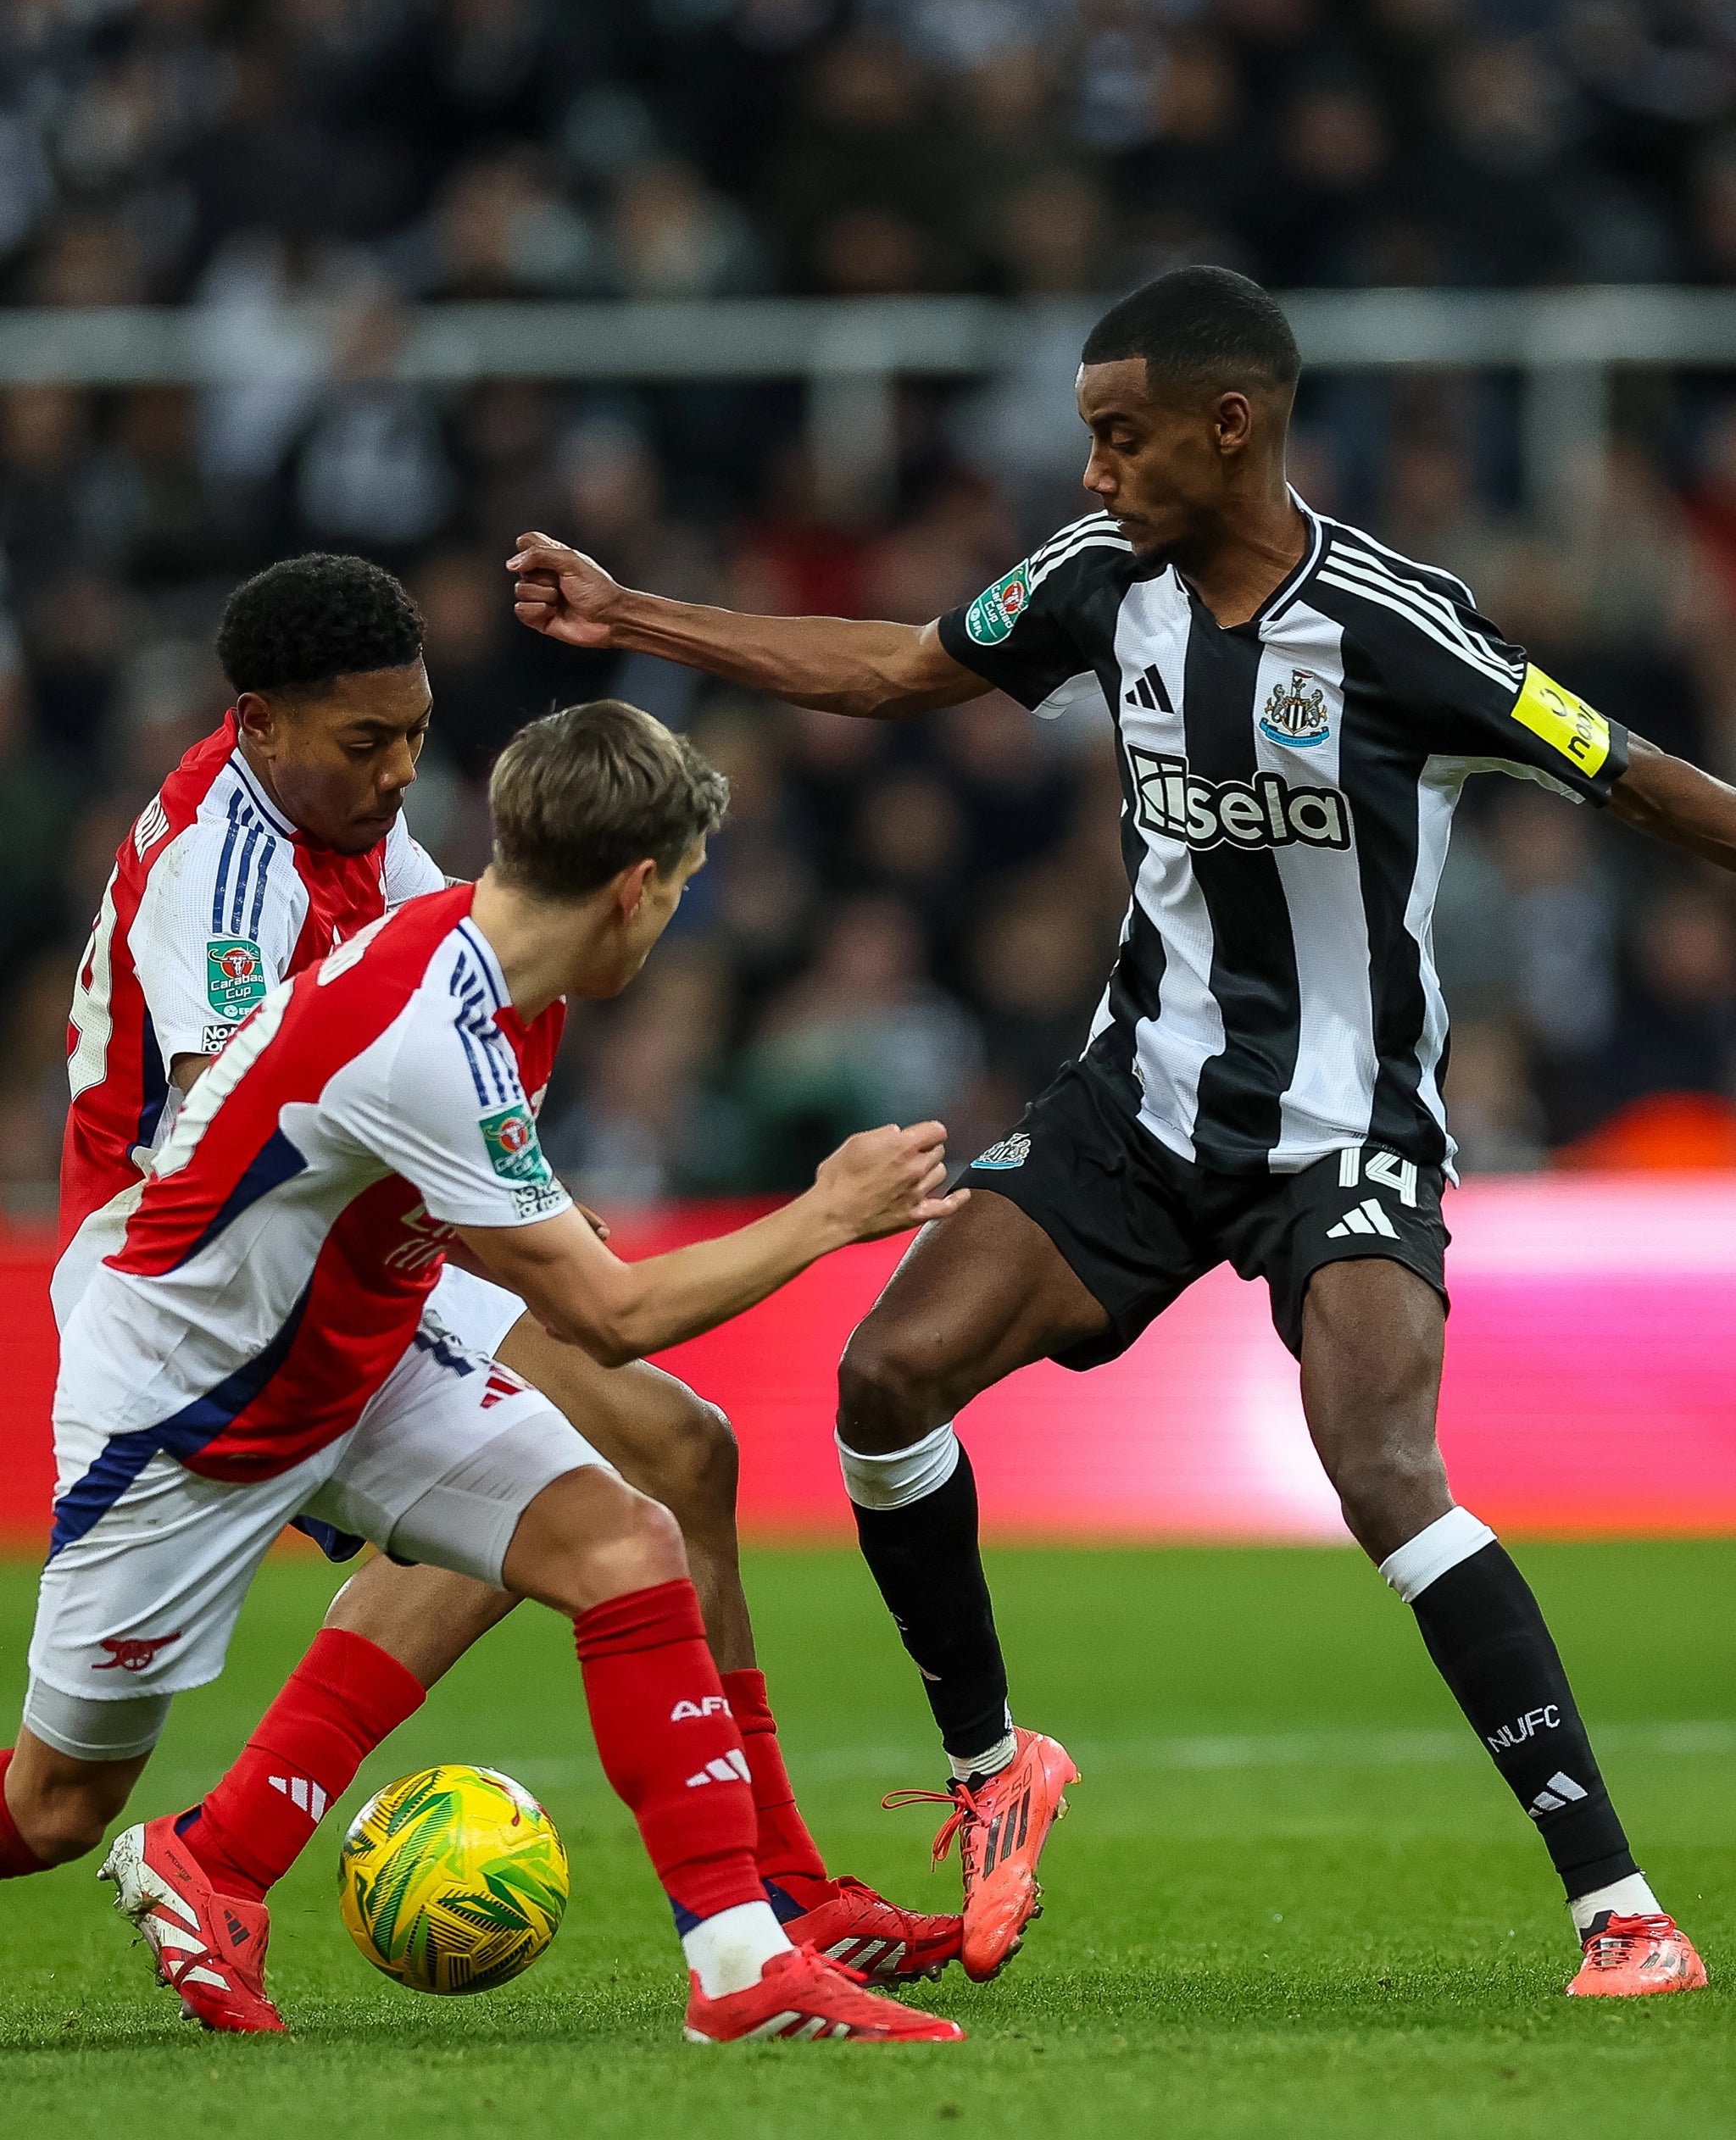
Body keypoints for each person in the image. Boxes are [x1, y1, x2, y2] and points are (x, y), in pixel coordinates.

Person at [508, 264, 1730, 1999]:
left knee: (1381, 1468)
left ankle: (1619, 1906)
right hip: (1140, 1103)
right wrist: (637, 616)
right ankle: (993, 1760)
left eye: (1119, 436)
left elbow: (1632, 771)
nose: (1090, 472)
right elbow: (888, 670)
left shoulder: (1396, 627)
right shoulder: (1100, 583)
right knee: (880, 1380)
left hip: (1342, 1124)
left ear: (1227, 427)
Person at [24, 556, 962, 2023]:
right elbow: (248, 1114)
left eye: (417, 734)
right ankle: (224, 1844)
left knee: (644, 1496)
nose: (403, 772)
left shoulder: (394, 871)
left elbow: (436, 1040)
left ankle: (751, 1939)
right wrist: (822, 1214)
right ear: (260, 723)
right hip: (198, 1354)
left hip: (354, 1294)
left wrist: (492, 1190)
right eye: (367, 742)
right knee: (53, 1808)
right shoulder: (229, 868)